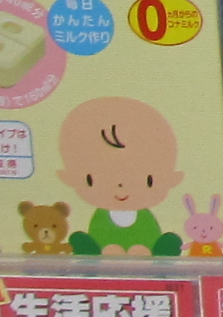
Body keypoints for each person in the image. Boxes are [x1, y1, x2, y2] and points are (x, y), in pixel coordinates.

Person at [57, 95, 187, 256]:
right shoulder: (100, 218)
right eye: (91, 180)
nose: (121, 186)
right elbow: (98, 233)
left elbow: (150, 235)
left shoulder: (144, 217)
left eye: (148, 181)